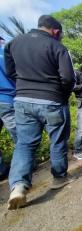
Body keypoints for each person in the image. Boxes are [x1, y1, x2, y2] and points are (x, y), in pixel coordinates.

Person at [4, 15, 76, 210]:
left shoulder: (13, 44)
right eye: (59, 34)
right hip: (52, 100)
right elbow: (69, 78)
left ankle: (18, 186)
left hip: (23, 100)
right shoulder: (57, 47)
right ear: (55, 30)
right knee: (58, 140)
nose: (59, 37)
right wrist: (62, 95)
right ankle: (59, 178)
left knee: (25, 144)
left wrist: (25, 84)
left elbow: (10, 72)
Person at [0, 36, 17, 180]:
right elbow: (14, 74)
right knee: (19, 135)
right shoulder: (3, 54)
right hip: (7, 98)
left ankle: (0, 170)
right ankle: (25, 165)